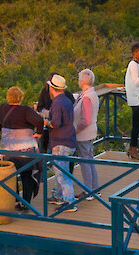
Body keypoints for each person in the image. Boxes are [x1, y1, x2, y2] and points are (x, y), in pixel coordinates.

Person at [0, 86, 46, 211]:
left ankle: (15, 201)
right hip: (26, 150)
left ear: (8, 97)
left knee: (11, 175)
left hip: (8, 149)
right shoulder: (25, 110)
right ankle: (26, 203)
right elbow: (39, 120)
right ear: (20, 97)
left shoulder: (3, 108)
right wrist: (38, 133)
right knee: (27, 174)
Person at [45, 74, 79, 211]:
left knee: (62, 174)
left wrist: (45, 122)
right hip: (69, 139)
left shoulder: (57, 102)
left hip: (60, 142)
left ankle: (70, 202)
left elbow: (56, 123)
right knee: (60, 171)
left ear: (51, 88)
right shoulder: (66, 100)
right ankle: (59, 196)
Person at [73, 69, 100, 198]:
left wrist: (75, 130)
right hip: (90, 133)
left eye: (79, 78)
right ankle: (94, 188)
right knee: (90, 160)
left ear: (83, 81)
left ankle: (88, 190)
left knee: (85, 163)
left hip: (84, 134)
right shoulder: (91, 94)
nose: (78, 80)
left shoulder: (87, 97)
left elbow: (86, 119)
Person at [35, 72, 57, 153]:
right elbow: (39, 108)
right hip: (47, 125)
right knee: (45, 148)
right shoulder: (44, 92)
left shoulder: (64, 95)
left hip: (58, 128)